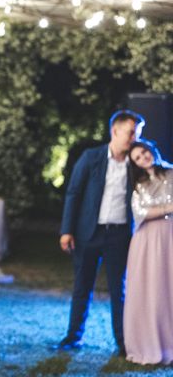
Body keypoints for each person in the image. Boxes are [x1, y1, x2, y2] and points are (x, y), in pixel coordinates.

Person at [55, 110, 144, 355]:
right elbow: (73, 193)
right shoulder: (91, 157)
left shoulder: (136, 165)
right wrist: (67, 231)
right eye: (131, 132)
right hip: (88, 233)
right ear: (115, 131)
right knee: (82, 287)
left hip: (120, 236)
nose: (135, 137)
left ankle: (124, 343)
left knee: (120, 291)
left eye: (138, 133)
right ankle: (73, 337)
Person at [123, 140, 173, 365]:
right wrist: (168, 208)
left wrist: (161, 211)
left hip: (170, 235)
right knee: (151, 289)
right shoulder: (138, 184)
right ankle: (150, 344)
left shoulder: (171, 173)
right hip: (147, 239)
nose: (143, 158)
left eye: (144, 153)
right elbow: (140, 211)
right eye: (137, 158)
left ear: (151, 150)